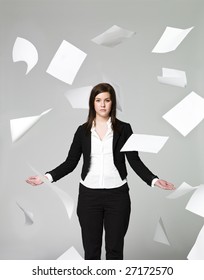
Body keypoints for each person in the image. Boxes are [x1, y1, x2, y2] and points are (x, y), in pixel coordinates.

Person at [26, 83, 175, 260]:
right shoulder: (82, 131)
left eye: (107, 100)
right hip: (89, 197)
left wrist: (154, 180)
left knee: (115, 251)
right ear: (92, 103)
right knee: (91, 251)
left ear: (112, 103)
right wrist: (44, 177)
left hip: (118, 196)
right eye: (98, 100)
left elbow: (134, 160)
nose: (102, 104)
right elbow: (71, 162)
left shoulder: (124, 129)